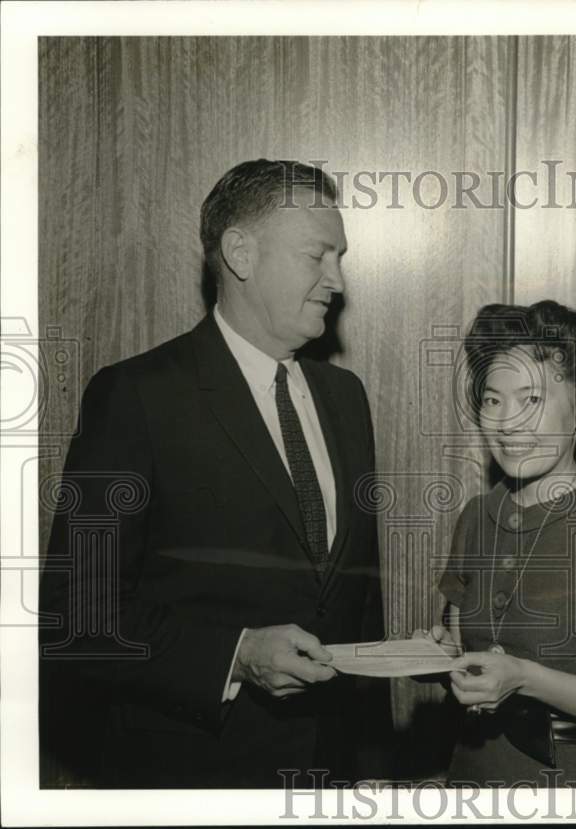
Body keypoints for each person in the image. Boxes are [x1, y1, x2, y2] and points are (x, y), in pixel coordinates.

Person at [39, 159, 389, 788]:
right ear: (240, 253)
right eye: (318, 256)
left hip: (330, 779)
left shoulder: (346, 397)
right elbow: (76, 617)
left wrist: (372, 763)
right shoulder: (136, 397)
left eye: (340, 256)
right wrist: (238, 656)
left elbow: (358, 600)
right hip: (194, 776)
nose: (337, 280)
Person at [425, 300, 576, 787]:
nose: (507, 422)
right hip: (472, 778)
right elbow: (466, 651)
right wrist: (434, 658)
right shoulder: (476, 518)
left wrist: (524, 678)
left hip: (571, 783)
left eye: (530, 400)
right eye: (493, 400)